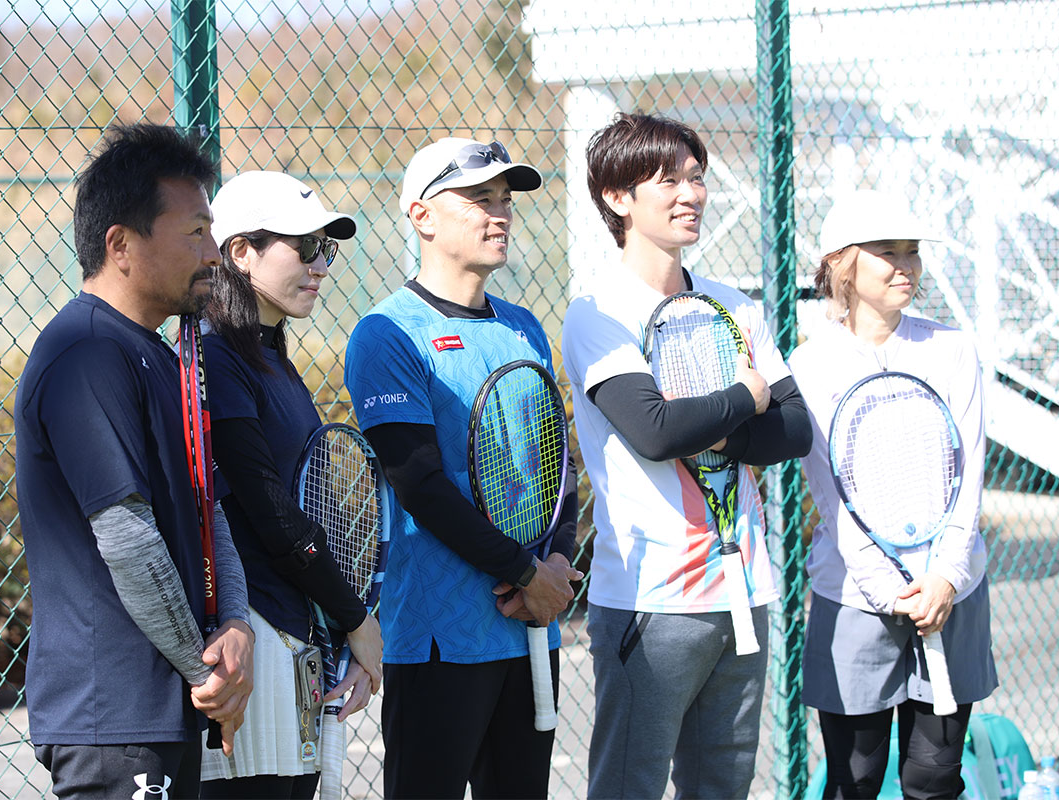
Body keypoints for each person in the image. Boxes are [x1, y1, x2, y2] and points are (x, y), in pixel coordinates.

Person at [561, 112, 813, 799]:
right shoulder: (598, 311)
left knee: (722, 789)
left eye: (696, 178)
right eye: (668, 180)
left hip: (744, 591)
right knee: (628, 789)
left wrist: (717, 421)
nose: (691, 194)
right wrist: (745, 395)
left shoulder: (735, 305)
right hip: (650, 599)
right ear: (618, 198)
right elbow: (654, 432)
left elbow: (795, 430)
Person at [14, 123, 255, 799]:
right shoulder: (86, 354)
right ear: (120, 245)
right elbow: (126, 538)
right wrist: (210, 675)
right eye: (195, 233)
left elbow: (209, 510)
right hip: (114, 718)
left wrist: (236, 626)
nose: (214, 254)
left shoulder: (157, 354)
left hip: (166, 708)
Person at [343, 137, 583, 799]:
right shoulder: (387, 333)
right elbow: (419, 485)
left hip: (532, 627)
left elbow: (556, 466)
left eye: (504, 199)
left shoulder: (524, 326)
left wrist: (556, 565)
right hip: (439, 640)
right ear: (421, 216)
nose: (499, 212)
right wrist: (525, 573)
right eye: (479, 198)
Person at [788, 189, 997, 799]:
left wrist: (946, 578)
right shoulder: (811, 365)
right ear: (842, 264)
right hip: (856, 596)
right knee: (853, 780)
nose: (906, 266)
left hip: (951, 594)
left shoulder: (952, 348)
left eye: (912, 252)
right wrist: (890, 590)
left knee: (934, 778)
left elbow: (970, 473)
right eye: (888, 252)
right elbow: (830, 496)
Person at [196, 170, 384, 799]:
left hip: (296, 635)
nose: (320, 265)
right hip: (252, 636)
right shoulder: (217, 357)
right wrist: (355, 619)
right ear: (240, 251)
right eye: (303, 248)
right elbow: (273, 514)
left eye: (324, 249)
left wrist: (342, 624)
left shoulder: (270, 355)